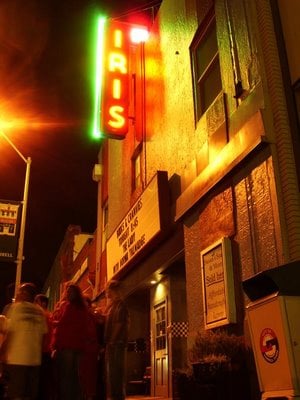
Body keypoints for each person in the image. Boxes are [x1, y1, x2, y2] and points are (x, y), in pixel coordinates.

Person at [2, 282, 48, 400]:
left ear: (25, 293)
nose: (17, 294)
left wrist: (2, 353)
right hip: (34, 360)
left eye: (19, 291)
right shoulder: (40, 312)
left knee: (16, 393)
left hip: (18, 359)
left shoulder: (17, 308)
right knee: (30, 394)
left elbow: (10, 333)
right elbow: (43, 337)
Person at [51, 283, 89, 400]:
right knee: (75, 377)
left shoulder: (68, 306)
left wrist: (51, 320)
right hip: (78, 347)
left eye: (69, 291)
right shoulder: (83, 308)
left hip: (67, 346)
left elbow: (61, 324)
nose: (67, 293)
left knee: (65, 377)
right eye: (67, 291)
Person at [104, 280, 129, 400]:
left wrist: (112, 341)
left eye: (107, 289)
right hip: (113, 343)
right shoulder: (113, 305)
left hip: (117, 344)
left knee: (116, 373)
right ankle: (115, 396)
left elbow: (119, 324)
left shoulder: (120, 305)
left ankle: (118, 397)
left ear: (112, 290)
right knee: (113, 374)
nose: (105, 292)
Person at [34, 294, 54, 400]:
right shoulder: (48, 315)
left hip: (42, 351)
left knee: (40, 382)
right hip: (46, 351)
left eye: (36, 302)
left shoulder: (42, 315)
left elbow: (43, 335)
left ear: (43, 303)